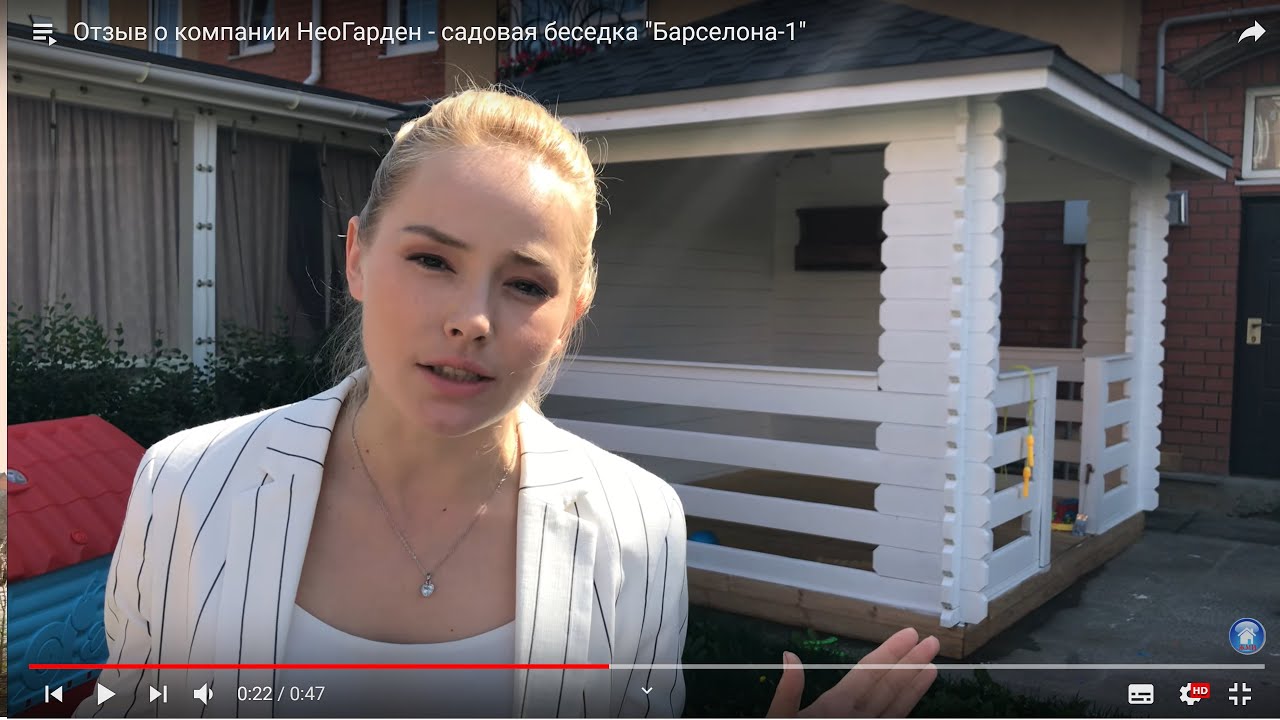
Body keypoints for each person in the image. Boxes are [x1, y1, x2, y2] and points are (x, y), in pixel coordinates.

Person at [75, 86, 939, 719]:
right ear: (357, 258)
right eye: (431, 260)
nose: (473, 320)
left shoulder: (639, 526)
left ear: (575, 310)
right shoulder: (189, 483)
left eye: (526, 283)